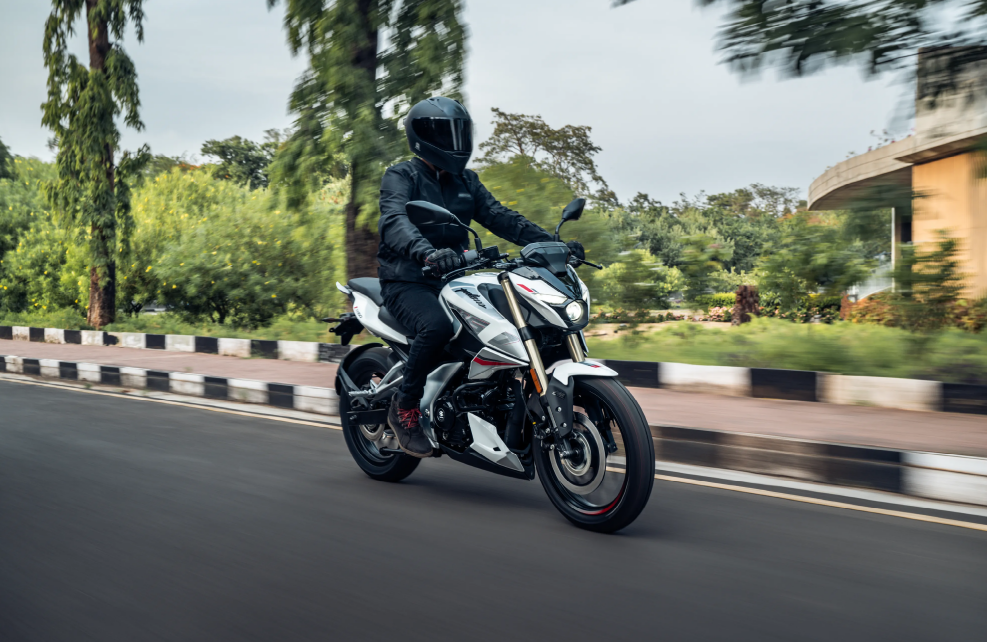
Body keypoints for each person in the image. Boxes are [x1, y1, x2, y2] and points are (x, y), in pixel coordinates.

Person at [378, 96, 585, 457]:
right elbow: (394, 221)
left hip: (454, 277)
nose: (455, 142)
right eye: (447, 134)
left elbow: (502, 218)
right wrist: (426, 252)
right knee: (437, 328)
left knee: (506, 325)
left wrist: (555, 245)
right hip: (408, 279)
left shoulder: (466, 181)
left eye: (460, 133)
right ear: (423, 137)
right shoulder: (402, 175)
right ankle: (404, 408)